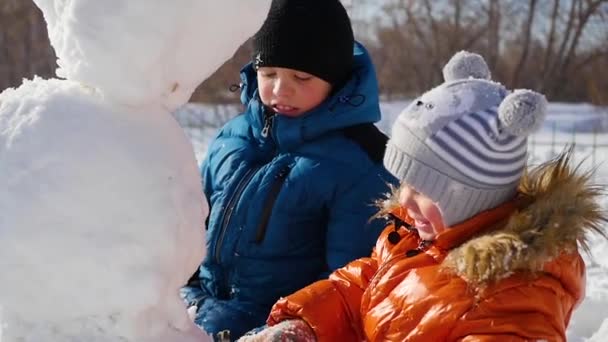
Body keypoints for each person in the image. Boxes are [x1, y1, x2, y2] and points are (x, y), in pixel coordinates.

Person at [239, 51, 608, 342]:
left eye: (425, 188)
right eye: (405, 182)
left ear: (474, 195)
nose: (406, 200)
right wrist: (304, 324)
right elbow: (365, 284)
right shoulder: (415, 238)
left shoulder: (516, 294)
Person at [181, 0, 397, 339]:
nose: (281, 90)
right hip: (194, 318)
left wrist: (289, 330)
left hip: (278, 330)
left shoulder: (360, 164)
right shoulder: (232, 138)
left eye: (301, 77)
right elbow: (187, 227)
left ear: (335, 80)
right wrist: (182, 296)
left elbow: (353, 290)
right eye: (268, 74)